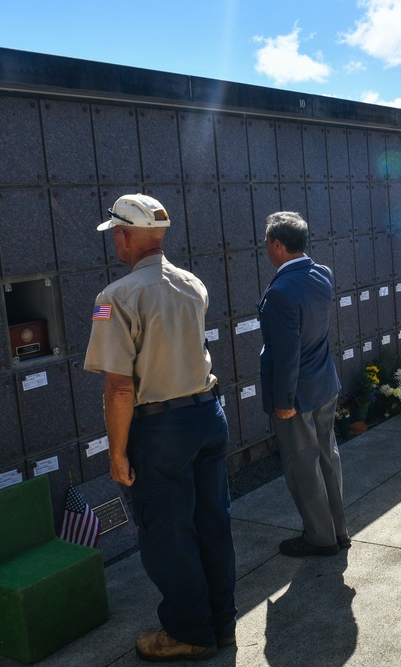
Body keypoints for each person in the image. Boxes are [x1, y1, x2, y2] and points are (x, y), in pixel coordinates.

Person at [84, 194, 236, 661]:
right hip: (208, 416)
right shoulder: (193, 283)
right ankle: (221, 624)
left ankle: (190, 632)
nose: (116, 245)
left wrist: (116, 454)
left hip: (161, 429)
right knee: (212, 524)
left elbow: (119, 388)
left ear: (125, 237)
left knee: (167, 534)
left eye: (116, 237)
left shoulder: (115, 297)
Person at [259, 211, 348, 558]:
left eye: (267, 242)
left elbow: (286, 354)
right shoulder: (321, 273)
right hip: (324, 382)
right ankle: (338, 531)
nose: (266, 248)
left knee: (303, 467)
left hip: (296, 394)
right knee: (328, 457)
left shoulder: (281, 291)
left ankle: (320, 537)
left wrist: (283, 400)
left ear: (278, 245)